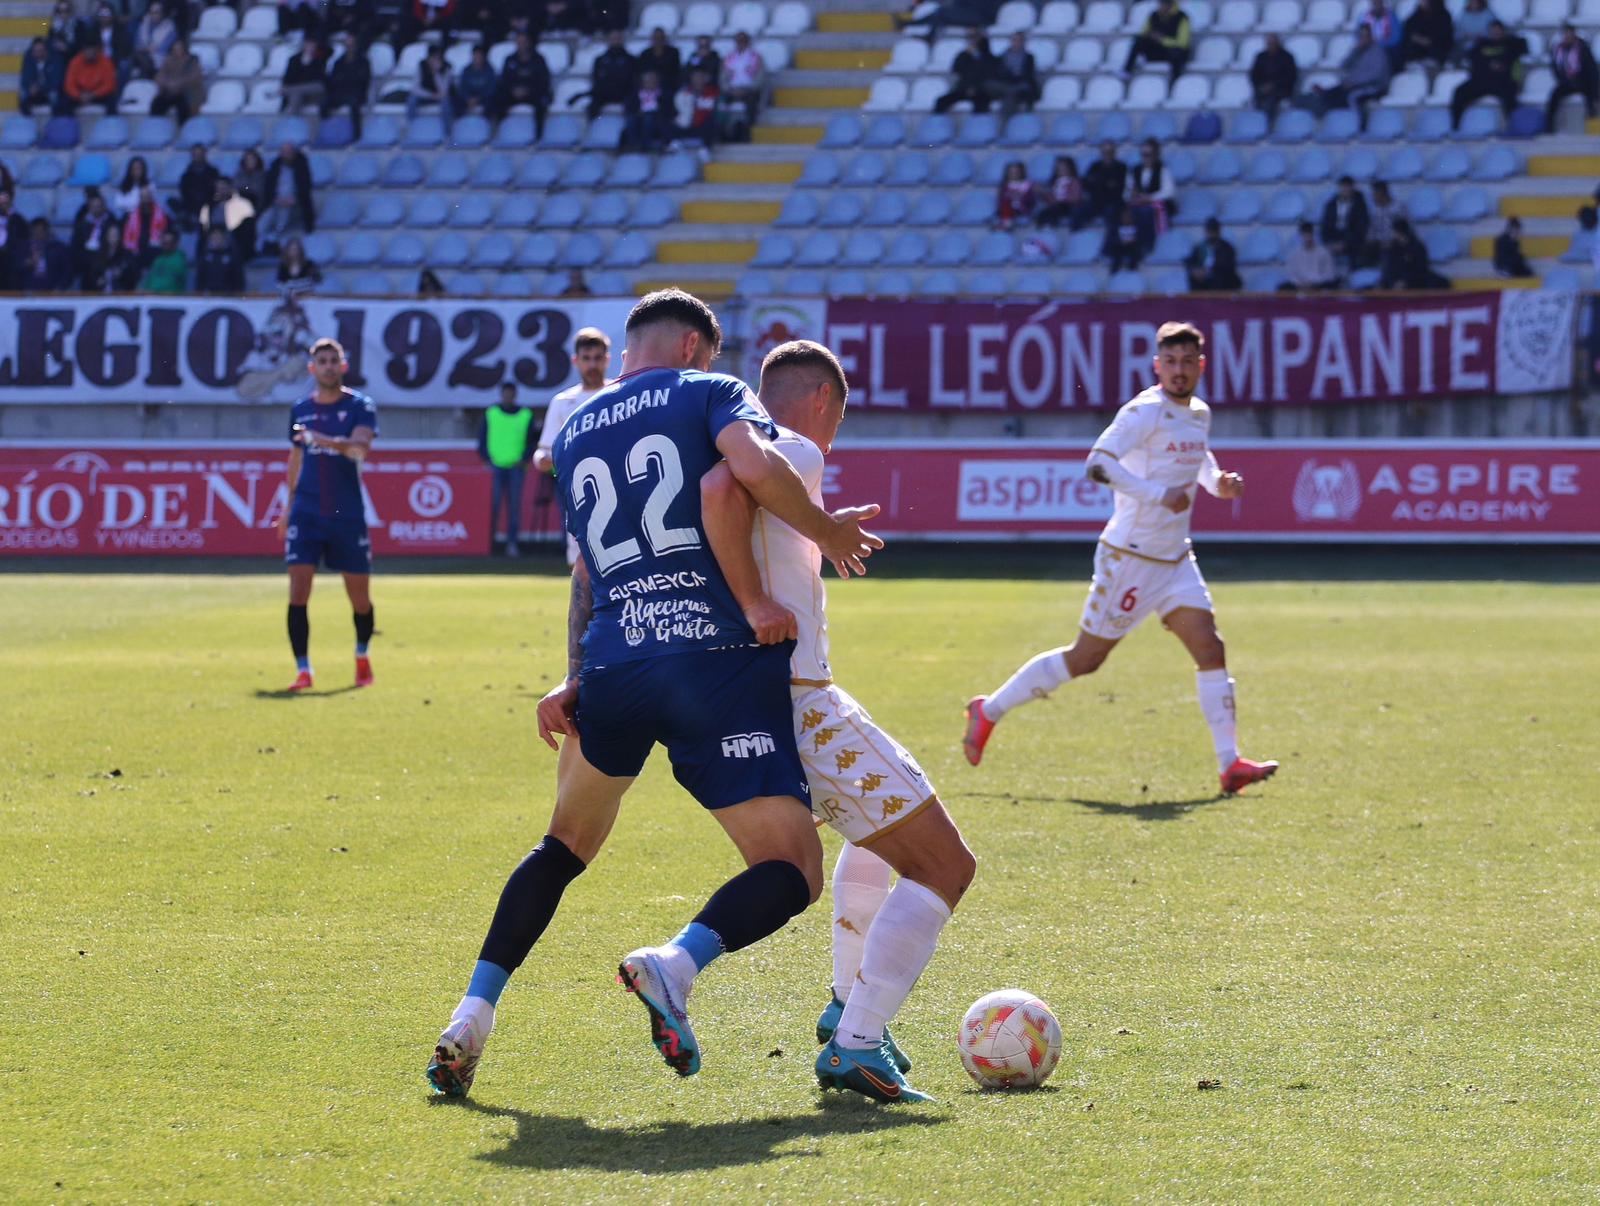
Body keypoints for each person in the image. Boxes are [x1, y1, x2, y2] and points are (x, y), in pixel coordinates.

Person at [424, 289, 884, 1100]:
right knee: (792, 867)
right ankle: (675, 964)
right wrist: (827, 530)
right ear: (692, 348)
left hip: (614, 663)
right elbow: (747, 468)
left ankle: (471, 1015)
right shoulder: (709, 391)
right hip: (714, 660)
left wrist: (574, 674)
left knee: (562, 847)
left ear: (630, 346)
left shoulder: (570, 433)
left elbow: (585, 573)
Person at [699, 340, 977, 1103]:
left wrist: (816, 526)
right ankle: (855, 1041)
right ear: (822, 402)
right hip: (800, 696)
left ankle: (843, 1008)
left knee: (878, 833)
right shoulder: (787, 452)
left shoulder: (739, 455)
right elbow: (736, 484)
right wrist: (818, 527)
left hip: (749, 699)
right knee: (948, 865)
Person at [963, 322, 1279, 799]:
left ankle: (1229, 764)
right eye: (1170, 362)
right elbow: (1098, 462)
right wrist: (1156, 493)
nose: (1178, 371)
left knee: (1210, 649)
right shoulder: (1143, 411)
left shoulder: (1198, 413)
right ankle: (988, 711)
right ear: (1157, 366)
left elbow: (1199, 459)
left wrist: (1218, 484)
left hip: (1174, 559)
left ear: (1201, 366)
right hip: (1129, 558)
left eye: (1187, 362)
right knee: (1086, 659)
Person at [278, 337, 379, 694]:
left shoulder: (360, 406)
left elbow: (360, 447)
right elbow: (295, 459)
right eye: (321, 361)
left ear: (343, 366)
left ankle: (362, 654)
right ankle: (303, 669)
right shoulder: (300, 409)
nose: (328, 367)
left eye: (333, 360)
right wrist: (287, 509)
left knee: (360, 598)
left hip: (346, 513)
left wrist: (321, 438)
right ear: (312, 368)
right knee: (297, 591)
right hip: (306, 512)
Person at [533, 326, 611, 566]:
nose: (592, 365)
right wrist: (541, 460)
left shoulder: (621, 393)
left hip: (620, 483)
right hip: (576, 488)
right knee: (580, 556)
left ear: (607, 360)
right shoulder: (563, 402)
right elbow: (545, 449)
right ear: (576, 361)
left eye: (598, 358)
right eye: (586, 359)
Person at [479, 381, 536, 556]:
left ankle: (512, 544)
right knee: (492, 507)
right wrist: (487, 459)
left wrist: (524, 459)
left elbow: (532, 441)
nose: (508, 396)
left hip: (516, 468)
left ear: (515, 394)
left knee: (514, 508)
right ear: (501, 394)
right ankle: (488, 543)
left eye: (511, 393)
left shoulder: (526, 414)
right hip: (495, 467)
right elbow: (481, 439)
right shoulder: (492, 413)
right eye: (506, 393)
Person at [1303, 23, 1391, 117]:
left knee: (1350, 96)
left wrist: (1354, 82)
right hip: (1354, 85)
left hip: (1373, 87)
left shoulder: (1378, 53)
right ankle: (1325, 98)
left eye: (1365, 36)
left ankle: (1358, 124)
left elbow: (1375, 75)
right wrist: (1355, 51)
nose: (1363, 39)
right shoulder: (1357, 52)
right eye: (1360, 36)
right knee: (1332, 94)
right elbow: (1344, 65)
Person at [1450, 20, 1526, 128]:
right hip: (1481, 81)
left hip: (1502, 81)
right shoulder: (1482, 44)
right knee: (1459, 92)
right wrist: (1489, 64)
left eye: (1498, 30)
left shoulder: (1511, 44)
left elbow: (1520, 48)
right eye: (1493, 30)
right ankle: (1455, 126)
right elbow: (1472, 58)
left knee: (1510, 95)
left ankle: (1513, 126)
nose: (1496, 33)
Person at [260, 142, 315, 251]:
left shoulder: (302, 168)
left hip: (296, 204)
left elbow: (305, 189)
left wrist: (294, 199)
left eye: (289, 152)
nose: (286, 155)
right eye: (284, 152)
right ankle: (260, 245)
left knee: (284, 214)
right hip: (276, 202)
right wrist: (275, 199)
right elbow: (268, 189)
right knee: (262, 223)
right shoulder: (274, 168)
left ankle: (277, 237)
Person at [1122, 0, 1192, 84]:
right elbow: (1144, 32)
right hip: (1157, 51)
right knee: (1138, 40)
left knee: (1177, 52)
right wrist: (1151, 35)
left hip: (1173, 52)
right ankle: (1127, 70)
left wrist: (1162, 39)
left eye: (1165, 4)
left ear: (1171, 4)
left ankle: (1174, 81)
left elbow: (1182, 43)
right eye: (1161, 4)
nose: (1162, 6)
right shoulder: (1154, 15)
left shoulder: (1182, 17)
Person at [498, 32, 553, 135]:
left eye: (524, 42)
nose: (521, 45)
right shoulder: (510, 59)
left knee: (542, 104)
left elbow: (543, 81)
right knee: (498, 100)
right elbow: (504, 80)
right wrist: (513, 90)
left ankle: (538, 135)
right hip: (513, 94)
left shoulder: (539, 60)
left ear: (529, 43)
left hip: (533, 94)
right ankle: (501, 133)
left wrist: (528, 90)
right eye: (519, 42)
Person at [1126, 138, 1175, 253]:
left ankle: (1146, 245)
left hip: (1157, 204)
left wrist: (1150, 198)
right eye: (1143, 154)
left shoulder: (1163, 169)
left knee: (1146, 212)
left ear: (1156, 154)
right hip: (1139, 203)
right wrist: (1134, 195)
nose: (1146, 157)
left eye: (1149, 154)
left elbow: (1169, 191)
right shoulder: (1135, 170)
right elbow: (1127, 190)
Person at [321, 32, 372, 138]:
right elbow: (333, 80)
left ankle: (356, 135)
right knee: (324, 103)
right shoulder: (338, 62)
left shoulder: (363, 61)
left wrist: (345, 79)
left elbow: (364, 81)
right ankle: (326, 132)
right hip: (340, 93)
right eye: (347, 45)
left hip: (356, 93)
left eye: (352, 45)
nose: (350, 47)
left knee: (354, 104)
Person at [1547, 23, 1599, 127]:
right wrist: (1564, 79)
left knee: (1591, 98)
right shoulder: (1558, 50)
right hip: (1567, 82)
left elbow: (1592, 70)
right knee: (1554, 96)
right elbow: (1555, 68)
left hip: (1583, 81)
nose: (1568, 36)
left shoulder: (1583, 48)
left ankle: (1592, 124)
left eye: (1570, 33)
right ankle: (1549, 126)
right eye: (1566, 34)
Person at [116, 184, 167, 288]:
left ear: (152, 197)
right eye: (143, 197)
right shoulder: (130, 217)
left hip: (156, 254)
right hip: (135, 255)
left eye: (148, 196)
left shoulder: (162, 215)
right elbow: (126, 241)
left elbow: (167, 237)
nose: (145, 200)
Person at [200, 177, 257, 268]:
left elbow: (247, 232)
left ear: (230, 188)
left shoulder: (242, 205)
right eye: (218, 188)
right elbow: (204, 228)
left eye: (223, 188)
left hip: (235, 242)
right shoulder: (210, 206)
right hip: (214, 241)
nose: (220, 191)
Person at [933, 28, 994, 113]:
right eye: (971, 38)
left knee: (982, 104)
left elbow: (988, 75)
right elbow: (956, 69)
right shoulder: (963, 55)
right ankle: (937, 124)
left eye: (976, 37)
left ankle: (978, 125)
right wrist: (966, 55)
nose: (973, 41)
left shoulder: (988, 57)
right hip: (964, 88)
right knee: (941, 101)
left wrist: (975, 88)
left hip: (980, 90)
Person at [1380, 217, 1450, 288]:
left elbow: (1421, 269)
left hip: (1415, 281)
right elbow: (1389, 268)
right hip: (1396, 281)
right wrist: (1394, 282)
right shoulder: (1392, 249)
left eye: (1395, 232)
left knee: (1438, 282)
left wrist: (1406, 281)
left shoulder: (1417, 247)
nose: (1394, 235)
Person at [72, 190, 120, 291]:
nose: (96, 209)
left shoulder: (110, 221)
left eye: (99, 206)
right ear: (89, 208)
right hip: (86, 260)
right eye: (94, 207)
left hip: (104, 259)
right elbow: (76, 245)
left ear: (104, 207)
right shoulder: (82, 223)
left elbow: (114, 243)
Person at [720, 30, 764, 139]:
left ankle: (747, 133)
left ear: (748, 42)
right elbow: (722, 78)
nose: (741, 43)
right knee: (720, 104)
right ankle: (724, 133)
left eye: (743, 41)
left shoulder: (756, 57)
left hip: (749, 90)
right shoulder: (729, 58)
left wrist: (747, 90)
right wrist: (729, 90)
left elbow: (760, 77)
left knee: (751, 104)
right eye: (739, 41)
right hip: (731, 90)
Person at [1319, 175, 1370, 269]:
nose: (1345, 190)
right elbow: (1325, 226)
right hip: (1333, 238)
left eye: (1347, 187)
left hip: (1351, 241)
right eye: (1343, 187)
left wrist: (1346, 243)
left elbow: (1361, 228)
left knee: (1358, 251)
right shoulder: (1331, 205)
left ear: (1352, 188)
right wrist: (1329, 242)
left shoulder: (1360, 205)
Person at [149, 37, 202, 124]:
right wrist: (168, 84)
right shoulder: (168, 60)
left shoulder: (192, 61)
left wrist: (178, 83)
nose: (177, 51)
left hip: (185, 92)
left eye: (179, 48)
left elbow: (195, 77)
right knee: (157, 103)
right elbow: (160, 76)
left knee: (184, 107)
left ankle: (184, 128)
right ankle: (155, 127)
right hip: (170, 92)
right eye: (175, 48)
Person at [585, 28, 635, 120]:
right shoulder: (600, 60)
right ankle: (593, 130)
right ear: (608, 41)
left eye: (618, 38)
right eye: (613, 39)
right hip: (605, 93)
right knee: (591, 106)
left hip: (625, 93)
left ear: (622, 40)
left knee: (633, 104)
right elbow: (596, 79)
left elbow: (634, 80)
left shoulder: (631, 60)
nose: (616, 41)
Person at [986, 31, 1039, 116]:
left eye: (1020, 40)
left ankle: (1004, 123)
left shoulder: (1029, 58)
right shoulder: (1002, 57)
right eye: (1015, 40)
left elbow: (1027, 75)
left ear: (1024, 42)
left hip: (1019, 84)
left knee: (1011, 93)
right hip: (1004, 84)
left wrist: (1013, 76)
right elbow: (998, 73)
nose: (1017, 42)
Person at [1249, 33, 1298, 121]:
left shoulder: (1287, 57)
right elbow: (1254, 75)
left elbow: (1291, 76)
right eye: (1269, 43)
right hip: (1262, 88)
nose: (1271, 45)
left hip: (1281, 89)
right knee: (1258, 99)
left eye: (1273, 43)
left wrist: (1273, 85)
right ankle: (1258, 123)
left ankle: (1268, 124)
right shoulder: (1261, 57)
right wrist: (1261, 86)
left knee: (1271, 101)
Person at [59, 41, 118, 114]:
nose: (90, 52)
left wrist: (94, 94)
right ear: (83, 51)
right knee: (65, 101)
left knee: (112, 100)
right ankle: (67, 124)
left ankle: (110, 124)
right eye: (87, 50)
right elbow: (69, 85)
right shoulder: (75, 61)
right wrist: (78, 95)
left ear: (97, 50)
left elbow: (109, 84)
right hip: (80, 94)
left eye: (92, 49)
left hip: (98, 93)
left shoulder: (106, 62)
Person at [1081, 141, 1128, 231]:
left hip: (1113, 202)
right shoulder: (1095, 166)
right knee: (1079, 211)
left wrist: (1099, 183)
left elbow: (1119, 187)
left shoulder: (1122, 167)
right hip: (1096, 201)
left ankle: (1111, 241)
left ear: (1114, 153)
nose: (1107, 154)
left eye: (1110, 152)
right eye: (1104, 152)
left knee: (1111, 212)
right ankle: (1077, 239)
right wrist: (1106, 183)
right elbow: (1086, 183)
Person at [16, 217, 73, 292]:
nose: (37, 234)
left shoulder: (59, 248)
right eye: (35, 231)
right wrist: (27, 263)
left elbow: (67, 270)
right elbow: (14, 269)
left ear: (47, 231)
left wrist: (60, 287)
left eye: (41, 231)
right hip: (28, 290)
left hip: (53, 291)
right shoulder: (23, 247)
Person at [1185, 218, 1241, 291]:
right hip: (1203, 280)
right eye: (1209, 231)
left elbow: (1229, 267)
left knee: (1220, 278)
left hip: (1221, 279)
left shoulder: (1227, 248)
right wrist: (1195, 271)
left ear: (1218, 231)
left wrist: (1208, 271)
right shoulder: (1200, 247)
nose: (1211, 234)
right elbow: (1191, 262)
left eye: (1213, 231)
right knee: (1193, 278)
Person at [1398, 0, 1453, 72]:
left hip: (1436, 53)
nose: (1422, 2)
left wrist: (1426, 41)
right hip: (1417, 52)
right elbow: (1409, 30)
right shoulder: (1417, 15)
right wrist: (1420, 39)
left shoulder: (1444, 16)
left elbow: (1443, 38)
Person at [673, 67, 720, 150]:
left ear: (706, 78)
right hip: (686, 127)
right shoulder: (684, 93)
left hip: (704, 128)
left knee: (712, 120)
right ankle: (674, 143)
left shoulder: (714, 92)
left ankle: (705, 149)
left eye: (700, 77)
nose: (697, 80)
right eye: (695, 77)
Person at [1282, 220, 1339, 289]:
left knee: (1331, 285)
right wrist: (1299, 283)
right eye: (1304, 235)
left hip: (1318, 286)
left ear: (1313, 235)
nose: (1307, 238)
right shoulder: (1294, 254)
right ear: (1300, 236)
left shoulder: (1324, 252)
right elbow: (1291, 274)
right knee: (1284, 287)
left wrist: (1314, 283)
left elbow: (1329, 274)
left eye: (1309, 234)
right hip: (1299, 286)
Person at [1034, 155, 1086, 228]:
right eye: (1059, 168)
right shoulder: (1054, 182)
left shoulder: (1074, 182)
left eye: (1065, 168)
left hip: (1070, 206)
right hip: (1056, 206)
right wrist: (1043, 193)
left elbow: (1076, 198)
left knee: (1065, 209)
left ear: (1071, 169)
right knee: (1044, 213)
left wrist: (1061, 199)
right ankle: (1043, 230)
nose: (1062, 170)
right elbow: (1050, 198)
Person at [624, 69, 670, 151]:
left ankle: (646, 146)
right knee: (631, 119)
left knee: (649, 118)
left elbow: (667, 110)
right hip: (639, 120)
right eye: (648, 81)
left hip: (657, 122)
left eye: (653, 80)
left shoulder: (664, 94)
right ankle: (633, 145)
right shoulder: (635, 94)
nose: (650, 83)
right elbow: (629, 108)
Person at [280, 36, 327, 114]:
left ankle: (285, 91)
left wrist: (309, 64)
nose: (310, 47)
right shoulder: (294, 60)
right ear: (304, 45)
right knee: (296, 95)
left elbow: (319, 79)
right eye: (308, 45)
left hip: (314, 93)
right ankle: (292, 120)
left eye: (313, 45)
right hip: (299, 92)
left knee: (317, 86)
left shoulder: (320, 59)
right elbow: (288, 78)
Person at [130, 0, 175, 79]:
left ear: (162, 13)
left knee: (143, 62)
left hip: (160, 59)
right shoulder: (144, 24)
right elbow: (137, 44)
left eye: (156, 12)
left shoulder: (170, 28)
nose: (153, 15)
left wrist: (146, 49)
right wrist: (147, 49)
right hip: (142, 56)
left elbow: (163, 49)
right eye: (151, 12)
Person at [408, 45, 454, 123]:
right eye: (432, 58)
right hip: (426, 95)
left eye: (438, 58)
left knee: (446, 102)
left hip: (440, 96)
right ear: (428, 58)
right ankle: (410, 125)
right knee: (412, 99)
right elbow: (415, 88)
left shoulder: (447, 67)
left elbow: (444, 91)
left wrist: (436, 73)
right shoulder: (421, 65)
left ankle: (447, 131)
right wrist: (430, 95)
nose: (435, 61)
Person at [177, 143, 219, 229]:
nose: (197, 156)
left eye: (199, 153)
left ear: (204, 154)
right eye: (195, 154)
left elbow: (215, 191)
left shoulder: (213, 172)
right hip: (191, 208)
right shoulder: (186, 175)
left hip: (209, 206)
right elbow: (184, 193)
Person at [19, 37, 64, 115]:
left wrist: (40, 87)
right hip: (34, 92)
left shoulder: (55, 60)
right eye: (36, 51)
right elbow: (24, 79)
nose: (38, 53)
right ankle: (28, 120)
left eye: (41, 51)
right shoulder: (28, 61)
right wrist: (30, 86)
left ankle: (55, 118)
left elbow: (56, 81)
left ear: (46, 50)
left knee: (55, 95)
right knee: (23, 94)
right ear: (32, 52)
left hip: (48, 90)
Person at [1365, 179, 1406, 263]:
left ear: (1382, 193)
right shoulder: (1374, 209)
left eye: (1375, 194)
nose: (1373, 197)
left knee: (1390, 252)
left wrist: (1391, 241)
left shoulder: (1398, 207)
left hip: (1394, 243)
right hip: (1378, 244)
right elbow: (1371, 230)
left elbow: (1405, 229)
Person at [195, 223, 243, 292]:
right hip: (208, 297)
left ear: (224, 238)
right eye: (214, 238)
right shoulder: (204, 257)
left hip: (228, 297)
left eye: (219, 237)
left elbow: (239, 279)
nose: (216, 240)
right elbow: (199, 279)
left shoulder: (232, 256)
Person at [454, 45, 498, 120]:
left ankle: (490, 127)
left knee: (493, 101)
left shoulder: (490, 70)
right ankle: (459, 124)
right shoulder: (466, 70)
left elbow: (491, 89)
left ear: (484, 57)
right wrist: (468, 98)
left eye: (479, 55)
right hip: (469, 97)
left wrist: (478, 99)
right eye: (475, 55)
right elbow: (462, 88)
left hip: (484, 98)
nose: (477, 57)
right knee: (455, 99)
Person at [141, 226, 187, 293]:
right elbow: (149, 279)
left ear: (176, 243)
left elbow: (172, 283)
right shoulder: (158, 260)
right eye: (164, 243)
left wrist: (154, 290)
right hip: (151, 298)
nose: (165, 246)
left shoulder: (179, 261)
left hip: (170, 299)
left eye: (169, 243)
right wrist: (144, 290)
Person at [638, 25, 681, 96]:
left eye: (661, 38)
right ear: (652, 39)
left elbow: (676, 72)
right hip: (648, 89)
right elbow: (642, 72)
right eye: (656, 38)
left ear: (664, 39)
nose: (658, 40)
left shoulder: (673, 53)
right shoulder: (645, 54)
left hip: (668, 88)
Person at [1358, 0, 1403, 65]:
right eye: (1374, 2)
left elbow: (1396, 38)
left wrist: (1380, 43)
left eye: (1379, 2)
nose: (1377, 4)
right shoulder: (1364, 17)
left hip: (1386, 50)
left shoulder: (1391, 16)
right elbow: (1361, 36)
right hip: (1369, 49)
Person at [995, 160, 1035, 231]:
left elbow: (1031, 199)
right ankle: (1006, 223)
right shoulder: (1005, 186)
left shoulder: (1026, 185)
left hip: (1022, 208)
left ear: (1021, 172)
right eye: (1011, 172)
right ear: (1007, 173)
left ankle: (1006, 224)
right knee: (1006, 205)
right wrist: (1010, 197)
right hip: (1008, 208)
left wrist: (1021, 197)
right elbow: (1001, 199)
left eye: (1016, 172)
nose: (1014, 174)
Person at [1105, 206, 1143, 272]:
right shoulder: (1116, 227)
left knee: (1136, 251)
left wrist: (1134, 240)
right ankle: (1115, 270)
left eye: (1129, 216)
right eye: (1125, 216)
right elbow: (1112, 239)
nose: (1127, 218)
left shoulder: (1137, 227)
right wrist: (1120, 241)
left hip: (1132, 246)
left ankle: (1132, 269)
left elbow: (1140, 238)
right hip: (1120, 246)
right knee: (1116, 251)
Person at [233, 147, 268, 212]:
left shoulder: (262, 175)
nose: (250, 162)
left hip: (256, 203)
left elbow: (257, 190)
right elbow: (236, 187)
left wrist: (245, 187)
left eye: (252, 159)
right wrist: (247, 187)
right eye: (248, 159)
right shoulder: (239, 173)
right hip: (239, 202)